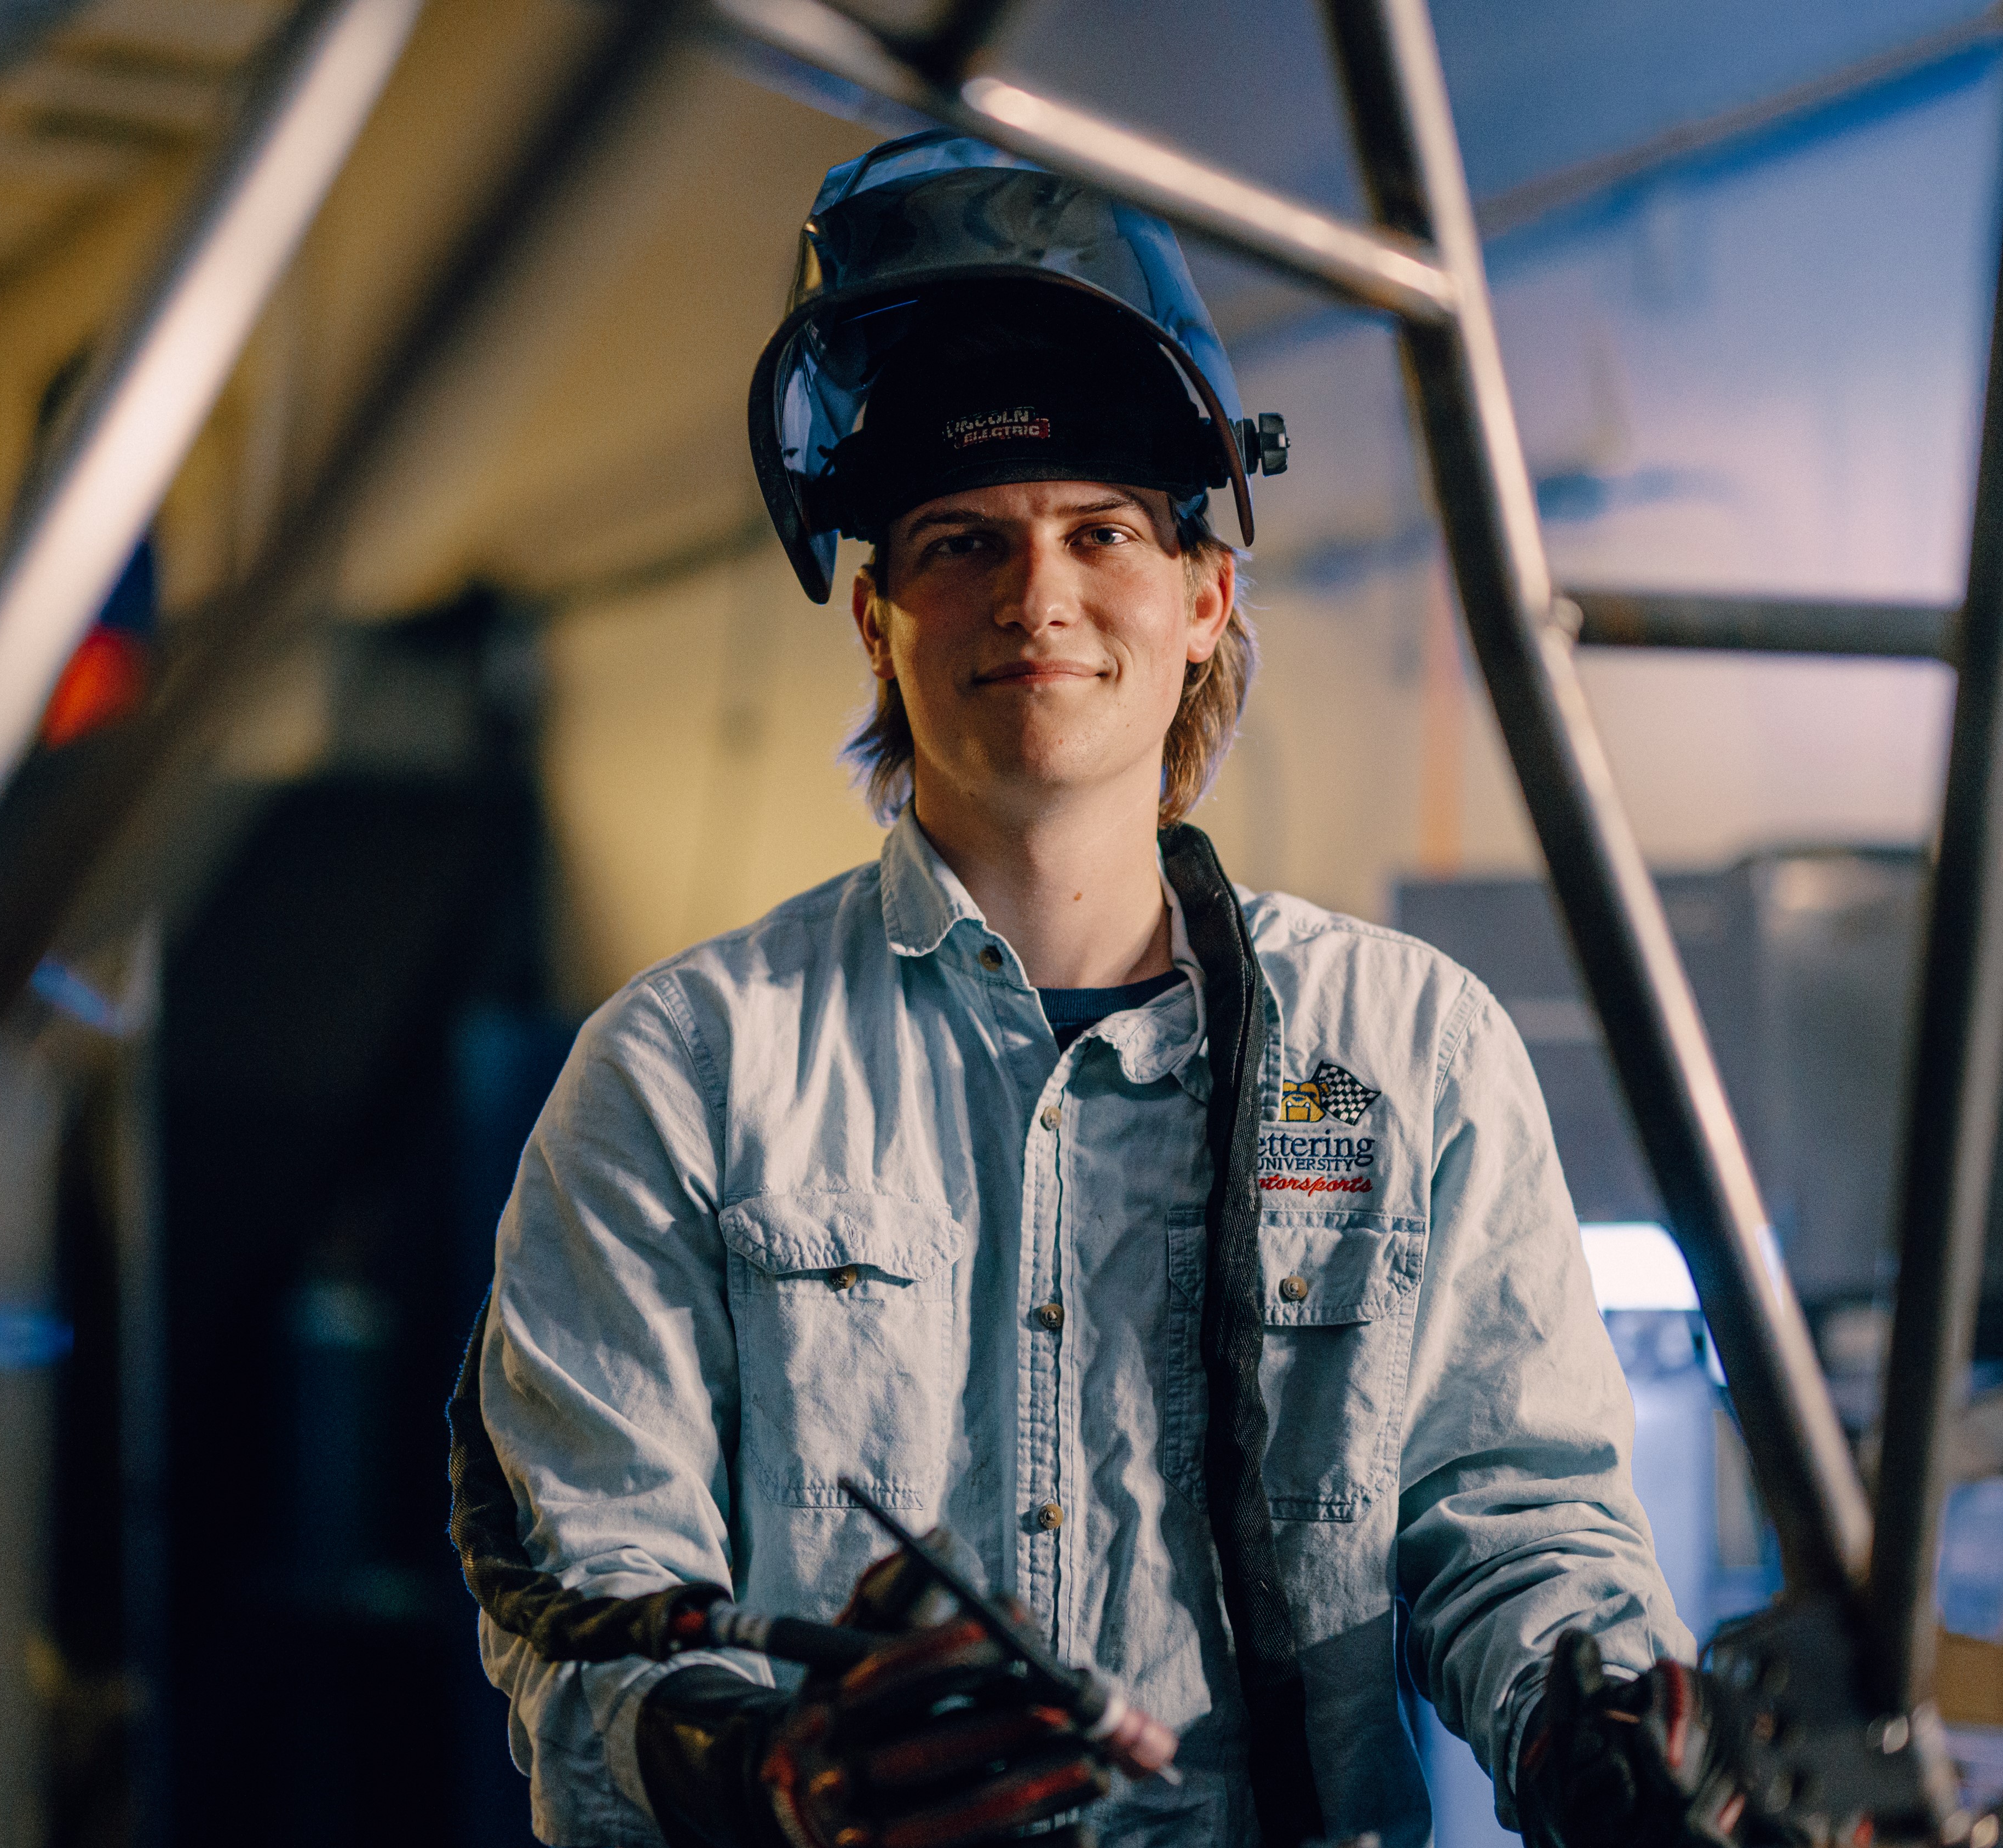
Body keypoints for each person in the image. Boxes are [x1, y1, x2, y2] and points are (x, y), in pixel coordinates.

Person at [455, 133, 1712, 1848]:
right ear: (877, 617)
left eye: (1099, 530)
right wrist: (754, 1770)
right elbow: (591, 1601)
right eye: (963, 541)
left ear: (1205, 598)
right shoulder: (686, 1076)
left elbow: (1517, 1521)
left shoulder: (1410, 1054)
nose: (1034, 597)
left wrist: (1604, 1736)